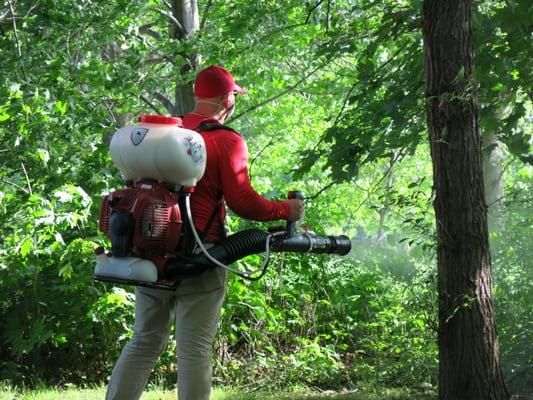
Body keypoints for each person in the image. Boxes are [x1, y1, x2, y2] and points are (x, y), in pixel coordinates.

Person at [105, 65, 304, 400]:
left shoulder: (164, 136)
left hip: (152, 255)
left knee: (143, 341)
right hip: (202, 254)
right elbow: (244, 203)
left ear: (198, 96)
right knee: (194, 350)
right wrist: (286, 210)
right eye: (234, 96)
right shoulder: (226, 140)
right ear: (227, 99)